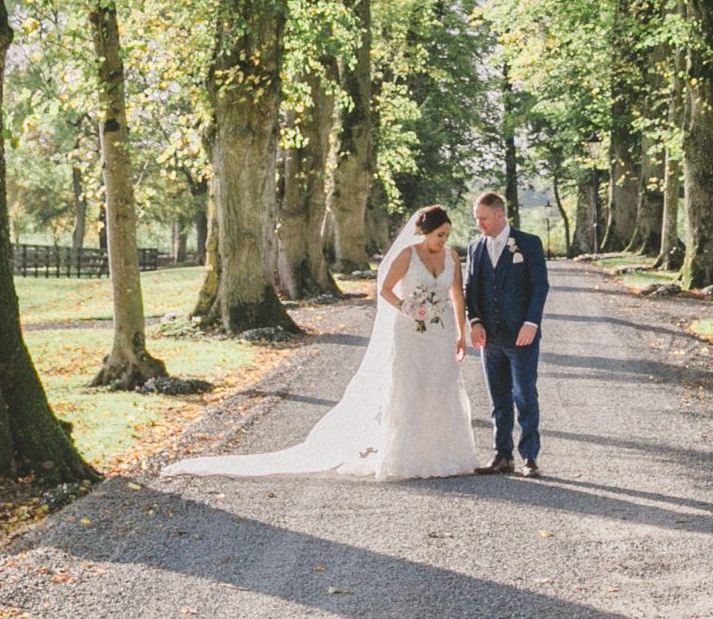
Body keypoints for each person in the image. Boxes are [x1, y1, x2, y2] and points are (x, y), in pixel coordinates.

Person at [161, 205, 480, 482]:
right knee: (411, 388)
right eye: (440, 234)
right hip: (409, 332)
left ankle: (444, 456)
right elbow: (384, 289)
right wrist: (406, 307)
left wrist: (460, 333)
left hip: (438, 333)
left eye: (447, 235)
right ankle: (410, 457)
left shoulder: (451, 256)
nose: (444, 241)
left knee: (440, 387)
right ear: (424, 232)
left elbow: (456, 295)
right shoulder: (407, 255)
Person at [464, 190, 548, 476]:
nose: (480, 224)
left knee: (525, 395)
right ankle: (502, 455)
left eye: (484, 218)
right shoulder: (475, 248)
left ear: (499, 215)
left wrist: (531, 323)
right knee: (498, 398)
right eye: (477, 219)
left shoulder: (528, 244)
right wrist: (475, 322)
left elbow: (540, 286)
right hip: (491, 338)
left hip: (522, 335)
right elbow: (470, 291)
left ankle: (529, 458)